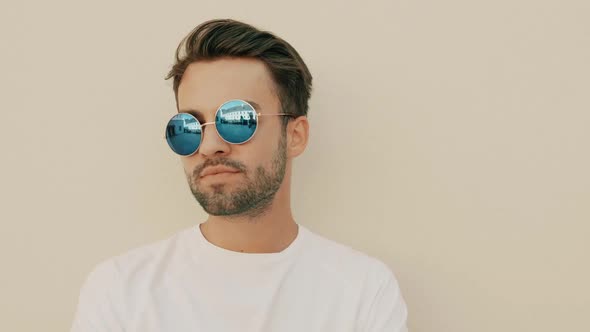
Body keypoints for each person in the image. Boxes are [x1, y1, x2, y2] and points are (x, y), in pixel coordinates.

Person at [70, 18, 409, 332]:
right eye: (188, 127)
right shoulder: (120, 291)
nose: (209, 146)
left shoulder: (362, 292)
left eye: (236, 120)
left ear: (295, 135)